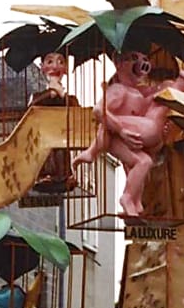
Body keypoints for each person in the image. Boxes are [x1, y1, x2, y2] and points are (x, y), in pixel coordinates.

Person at [72, 50, 169, 218]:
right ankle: (127, 198)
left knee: (141, 163)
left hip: (130, 139)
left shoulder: (138, 94)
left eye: (144, 59)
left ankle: (135, 202)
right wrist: (121, 131)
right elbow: (99, 110)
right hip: (113, 137)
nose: (141, 63)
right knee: (143, 162)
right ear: (119, 65)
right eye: (133, 59)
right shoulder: (118, 90)